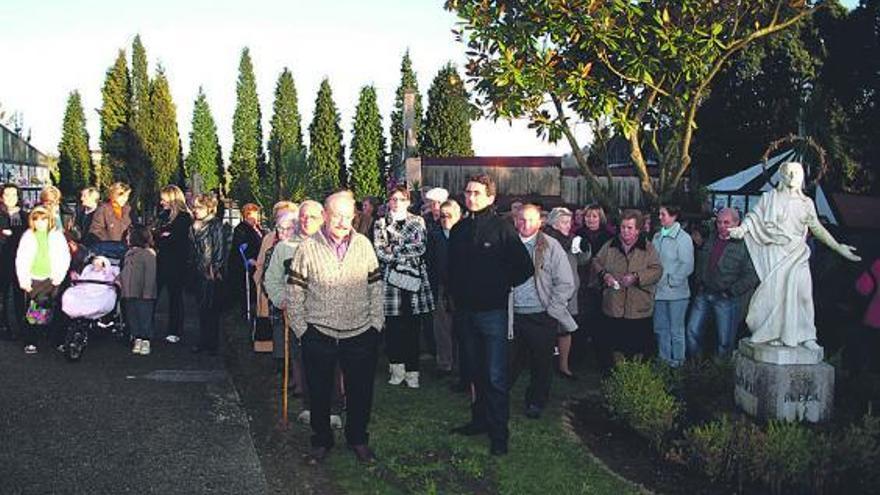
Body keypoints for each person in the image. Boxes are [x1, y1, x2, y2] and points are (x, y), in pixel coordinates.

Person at [287, 191, 385, 465]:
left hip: (361, 332)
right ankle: (320, 441)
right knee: (318, 391)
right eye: (337, 215)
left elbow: (376, 287)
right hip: (319, 333)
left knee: (361, 391)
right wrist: (301, 329)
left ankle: (358, 439)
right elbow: (294, 291)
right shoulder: (307, 248)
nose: (343, 221)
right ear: (326, 216)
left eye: (348, 215)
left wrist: (376, 324)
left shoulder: (364, 245)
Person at [730, 161, 860, 349]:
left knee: (804, 295)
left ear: (802, 177)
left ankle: (807, 335)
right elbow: (754, 217)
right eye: (789, 173)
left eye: (796, 173)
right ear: (781, 176)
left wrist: (838, 247)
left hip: (797, 254)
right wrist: (742, 229)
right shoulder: (770, 198)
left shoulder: (806, 203)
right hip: (776, 254)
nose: (792, 177)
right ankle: (774, 332)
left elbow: (817, 229)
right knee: (777, 297)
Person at [448, 174, 533, 456]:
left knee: (496, 376)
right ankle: (479, 421)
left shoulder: (502, 229)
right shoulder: (458, 230)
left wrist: (498, 284)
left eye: (477, 193)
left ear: (490, 197)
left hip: (492, 314)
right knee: (474, 371)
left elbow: (524, 267)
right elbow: (451, 268)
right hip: (465, 313)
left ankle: (499, 434)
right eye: (468, 192)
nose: (471, 197)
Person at [510, 204, 576, 419]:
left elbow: (566, 282)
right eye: (521, 219)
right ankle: (497, 397)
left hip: (541, 315)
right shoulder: (507, 243)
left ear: (540, 222)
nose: (525, 224)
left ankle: (536, 401)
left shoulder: (551, 245)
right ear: (515, 220)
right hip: (512, 315)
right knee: (509, 361)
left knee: (541, 363)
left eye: (531, 220)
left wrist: (552, 310)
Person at [374, 185, 434, 388]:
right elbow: (380, 252)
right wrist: (401, 249)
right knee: (393, 328)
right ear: (389, 201)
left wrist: (394, 249)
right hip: (391, 284)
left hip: (414, 281)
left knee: (412, 328)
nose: (397, 202)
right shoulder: (380, 223)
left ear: (408, 201)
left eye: (401, 199)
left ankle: (413, 372)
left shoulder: (417, 221)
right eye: (393, 199)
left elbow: (420, 247)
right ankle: (396, 369)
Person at [686, 208, 758, 358]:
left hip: (727, 298)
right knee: (692, 332)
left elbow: (752, 274)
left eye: (726, 222)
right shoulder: (711, 238)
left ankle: (721, 374)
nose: (722, 226)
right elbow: (701, 262)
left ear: (737, 223)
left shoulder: (745, 245)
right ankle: (695, 368)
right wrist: (699, 282)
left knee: (725, 342)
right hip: (704, 293)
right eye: (719, 222)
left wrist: (732, 291)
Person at [592, 209, 662, 362]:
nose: (625, 231)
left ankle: (634, 379)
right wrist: (605, 275)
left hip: (637, 309)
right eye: (623, 227)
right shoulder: (610, 245)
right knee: (613, 348)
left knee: (636, 350)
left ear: (638, 230)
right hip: (613, 307)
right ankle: (613, 376)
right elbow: (596, 261)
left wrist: (637, 277)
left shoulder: (648, 248)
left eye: (629, 228)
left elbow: (657, 270)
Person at [15, 206, 71, 354]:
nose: (40, 223)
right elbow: (21, 259)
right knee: (34, 312)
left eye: (43, 219)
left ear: (49, 220)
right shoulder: (28, 236)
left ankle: (58, 340)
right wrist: (24, 280)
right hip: (34, 278)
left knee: (57, 310)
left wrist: (59, 276)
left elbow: (64, 257)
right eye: (36, 219)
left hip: (53, 278)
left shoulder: (57, 236)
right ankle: (31, 341)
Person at [543, 206, 590, 379]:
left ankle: (564, 366)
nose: (567, 225)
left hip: (569, 293)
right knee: (548, 330)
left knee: (565, 330)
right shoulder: (546, 240)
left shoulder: (571, 240)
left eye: (569, 222)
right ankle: (545, 364)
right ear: (554, 224)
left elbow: (583, 260)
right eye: (563, 222)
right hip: (550, 292)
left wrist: (584, 248)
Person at [651, 204, 694, 367]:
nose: (660, 217)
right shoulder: (656, 237)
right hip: (658, 292)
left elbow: (687, 265)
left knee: (676, 330)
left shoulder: (683, 239)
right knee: (661, 329)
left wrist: (671, 281)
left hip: (677, 294)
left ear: (674, 216)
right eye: (659, 214)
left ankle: (678, 363)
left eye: (663, 214)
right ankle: (664, 361)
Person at [253, 201, 299, 350]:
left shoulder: (298, 241)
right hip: (271, 286)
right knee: (272, 323)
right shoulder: (269, 238)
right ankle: (273, 351)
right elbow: (261, 261)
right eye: (279, 216)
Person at [426, 199, 462, 380]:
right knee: (441, 327)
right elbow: (430, 262)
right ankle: (444, 363)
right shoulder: (434, 235)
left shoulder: (464, 234)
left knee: (461, 327)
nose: (445, 219)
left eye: (449, 216)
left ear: (458, 216)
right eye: (442, 216)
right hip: (440, 286)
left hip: (461, 288)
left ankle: (461, 364)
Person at [189, 193, 226, 355]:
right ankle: (203, 340)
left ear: (208, 208)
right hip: (198, 270)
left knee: (211, 308)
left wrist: (215, 268)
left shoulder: (215, 225)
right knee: (201, 307)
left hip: (210, 271)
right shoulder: (194, 226)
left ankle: (211, 343)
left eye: (199, 207)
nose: (195, 211)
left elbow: (219, 248)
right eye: (194, 207)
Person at [154, 185, 192, 344]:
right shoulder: (164, 215)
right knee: (155, 294)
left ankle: (174, 329)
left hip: (177, 262)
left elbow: (176, 239)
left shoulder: (183, 217)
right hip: (162, 260)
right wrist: (162, 235)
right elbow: (158, 235)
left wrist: (163, 236)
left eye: (164, 199)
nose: (161, 202)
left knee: (175, 297)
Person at [120, 224, 157, 356]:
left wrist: (148, 292)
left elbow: (150, 275)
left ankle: (146, 339)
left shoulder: (148, 253)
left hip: (143, 293)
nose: (127, 238)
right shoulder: (129, 253)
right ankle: (137, 338)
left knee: (144, 316)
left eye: (129, 235)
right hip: (129, 291)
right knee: (133, 316)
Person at [0, 184, 28, 340]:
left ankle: (22, 326)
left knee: (20, 295)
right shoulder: (1, 214)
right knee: (2, 295)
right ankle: (4, 326)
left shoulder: (24, 216)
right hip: (2, 258)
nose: (10, 198)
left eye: (14, 195)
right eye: (7, 195)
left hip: (19, 260)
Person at [228, 203, 264, 318]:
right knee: (246, 289)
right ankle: (246, 312)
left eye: (256, 216)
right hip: (245, 266)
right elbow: (241, 247)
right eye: (251, 217)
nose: (254, 219)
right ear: (245, 217)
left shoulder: (258, 228)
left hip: (259, 262)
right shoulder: (241, 229)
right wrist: (251, 260)